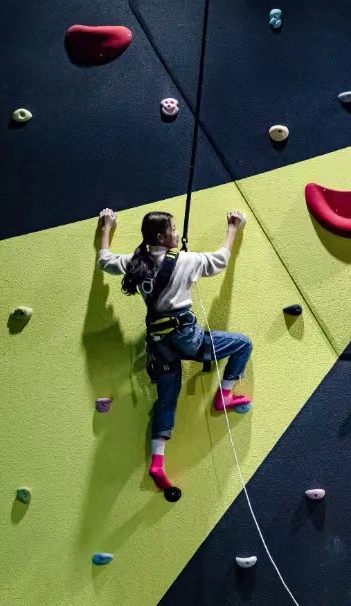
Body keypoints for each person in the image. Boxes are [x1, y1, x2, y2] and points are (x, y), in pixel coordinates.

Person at [97, 208, 253, 501]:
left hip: (158, 344)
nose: (177, 232)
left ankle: (158, 461)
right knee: (243, 344)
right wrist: (233, 228)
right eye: (173, 229)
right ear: (161, 237)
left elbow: (105, 260)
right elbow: (220, 260)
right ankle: (224, 396)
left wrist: (107, 226)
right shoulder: (186, 261)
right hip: (186, 338)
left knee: (166, 400)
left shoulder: (136, 262)